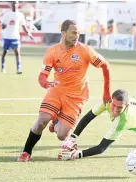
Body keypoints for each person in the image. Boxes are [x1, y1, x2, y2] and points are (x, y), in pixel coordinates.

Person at [17, 19, 112, 162]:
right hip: (57, 91)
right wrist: (46, 83)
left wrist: (106, 92)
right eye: (73, 33)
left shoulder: (85, 50)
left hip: (76, 97)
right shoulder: (52, 52)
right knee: (42, 121)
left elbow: (105, 65)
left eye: (78, 33)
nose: (77, 36)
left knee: (61, 135)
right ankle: (26, 152)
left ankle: (56, 121)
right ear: (63, 33)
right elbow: (42, 76)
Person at [0, 1, 33, 74]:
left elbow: (23, 26)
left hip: (15, 37)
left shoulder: (20, 15)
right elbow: (3, 26)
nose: (14, 5)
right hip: (7, 37)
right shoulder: (7, 14)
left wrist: (29, 33)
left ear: (18, 5)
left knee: (17, 53)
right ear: (11, 5)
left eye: (15, 3)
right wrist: (3, 26)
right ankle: (3, 67)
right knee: (5, 52)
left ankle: (18, 68)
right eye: (13, 3)